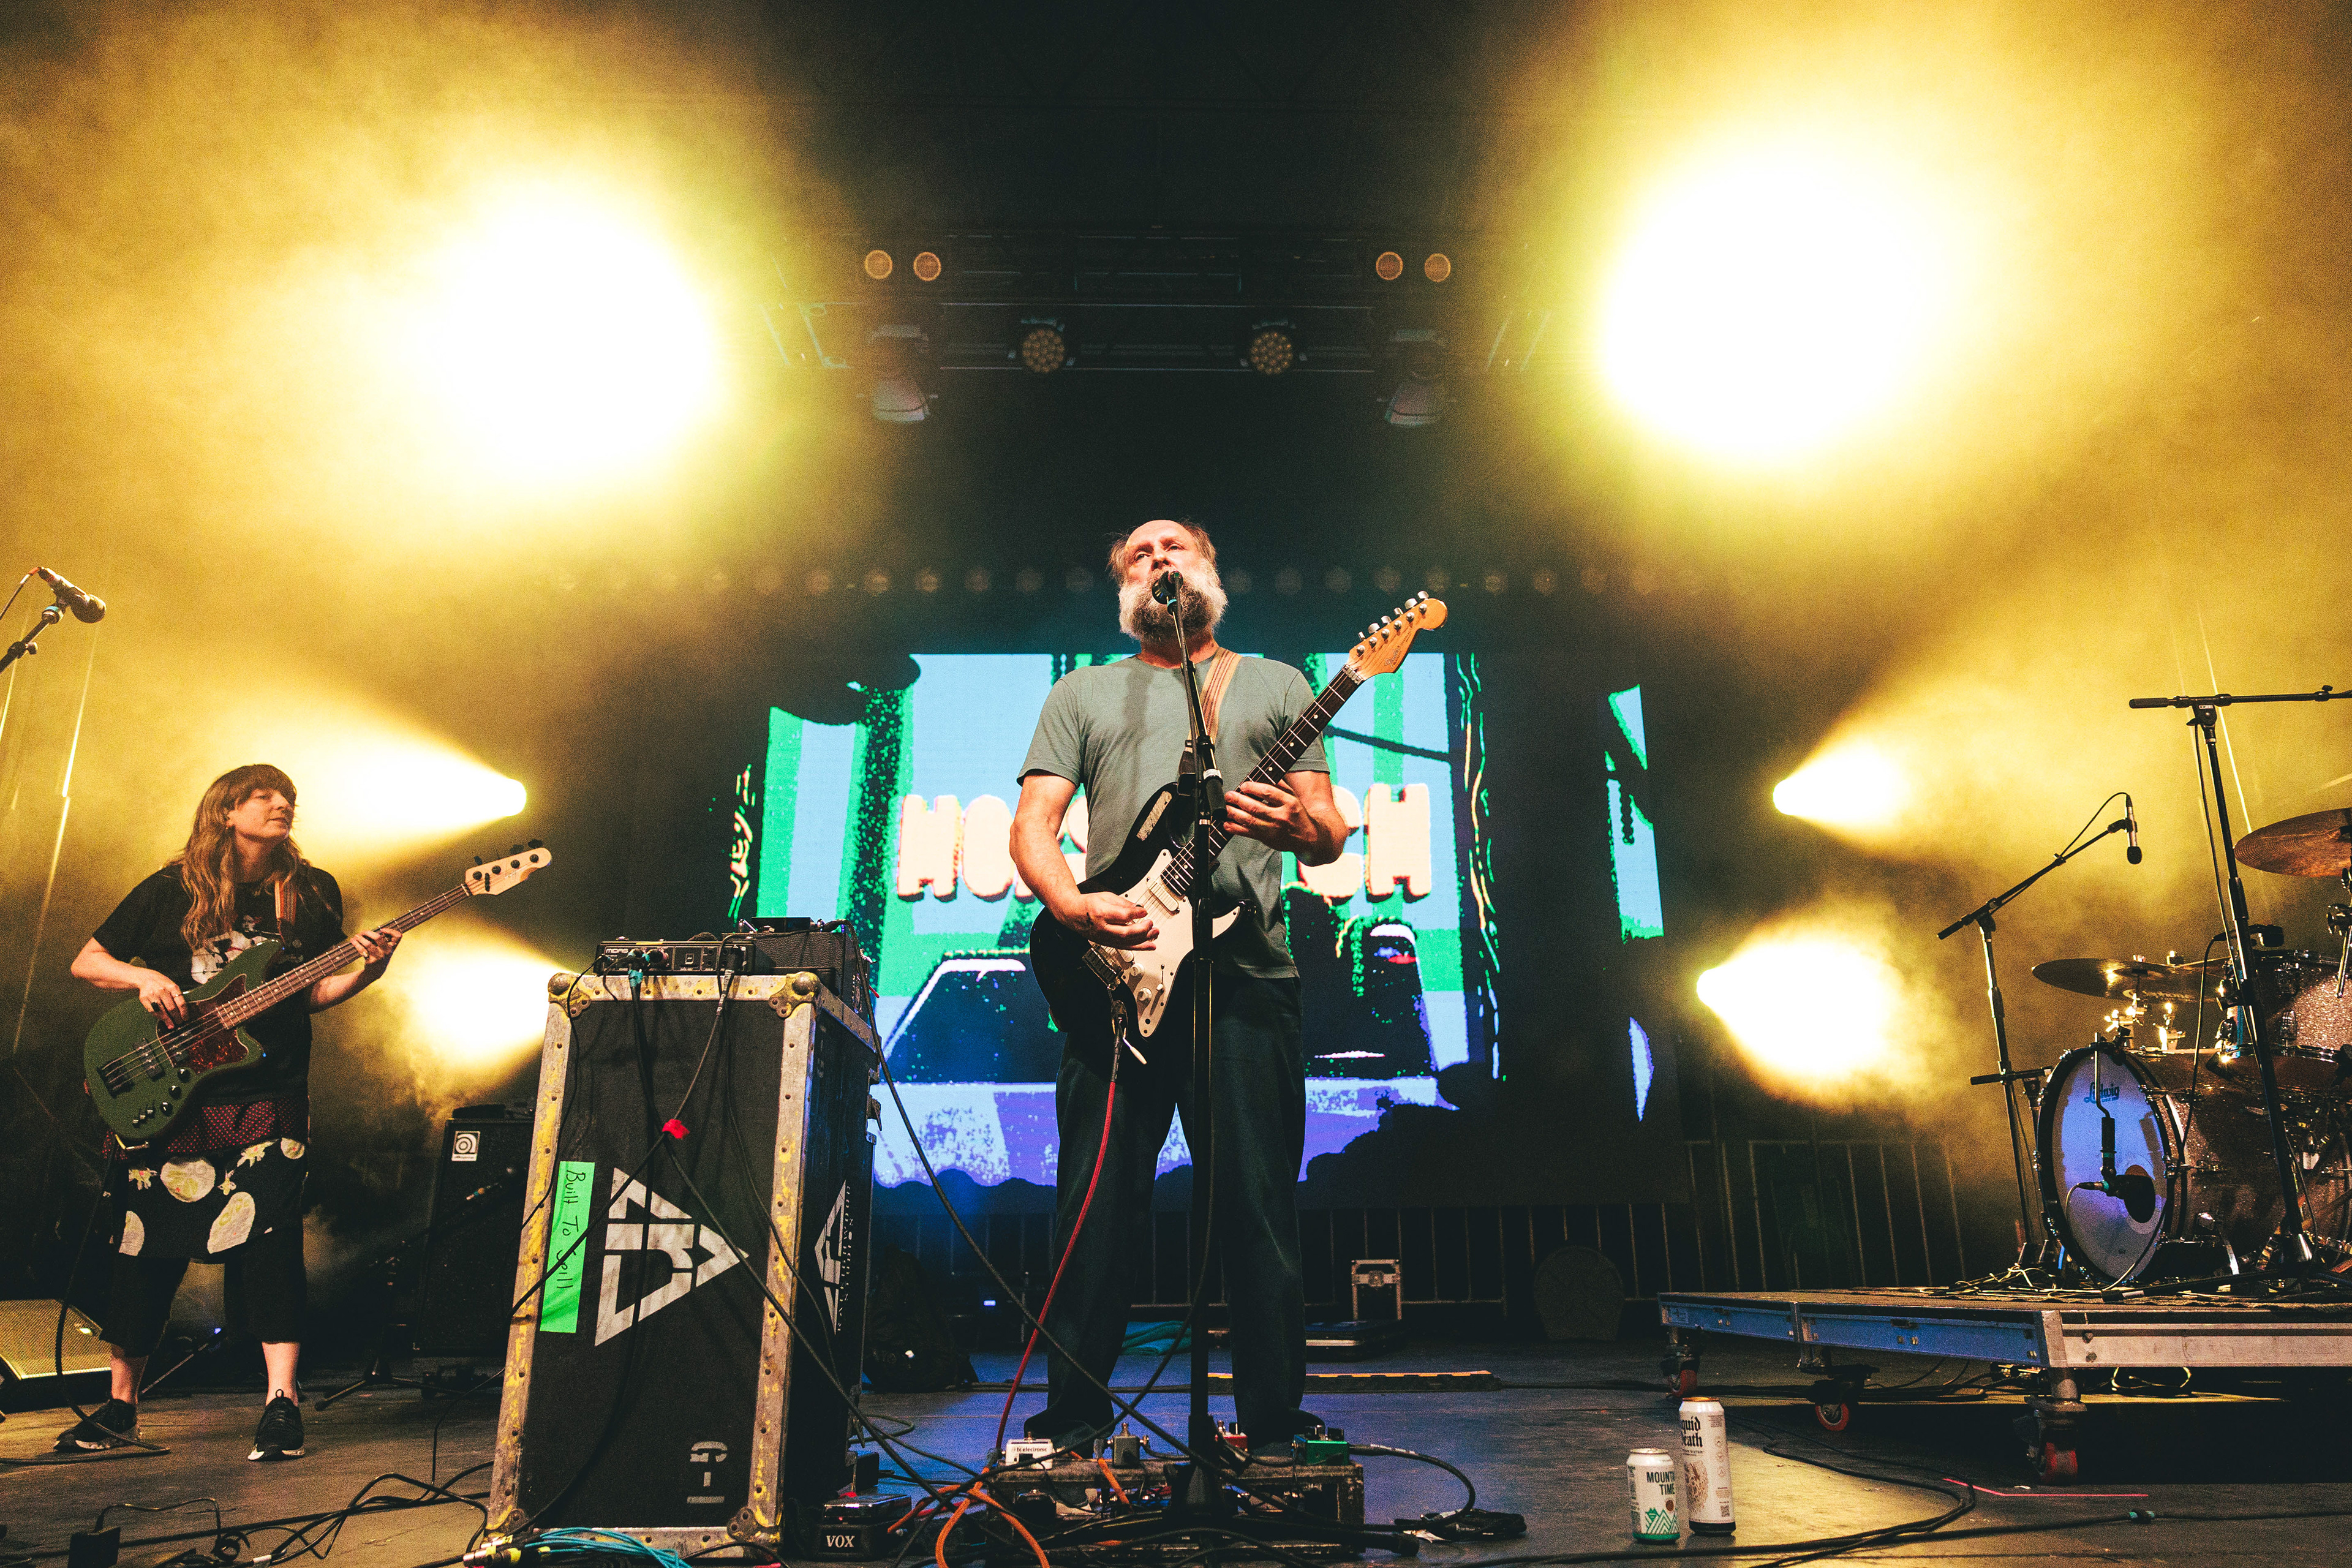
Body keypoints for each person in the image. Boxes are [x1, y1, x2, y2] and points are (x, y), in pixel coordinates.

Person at [1010, 518, 1349, 1458]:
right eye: (1140, 554)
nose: (1161, 560)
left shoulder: (1278, 684)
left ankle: (1275, 1427)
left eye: (1178, 550)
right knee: (1096, 1208)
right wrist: (1073, 905)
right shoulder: (1082, 692)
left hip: (1247, 981)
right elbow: (1034, 823)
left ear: (1210, 572)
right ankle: (1072, 1425)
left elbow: (1325, 827)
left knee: (1257, 1210)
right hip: (1115, 979)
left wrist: (1297, 827)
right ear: (1124, 585)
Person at [59, 764, 401, 1460]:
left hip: (269, 1091)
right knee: (144, 1243)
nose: (283, 804)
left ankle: (282, 1402)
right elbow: (87, 961)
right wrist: (146, 976)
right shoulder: (170, 887)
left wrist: (369, 969)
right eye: (264, 795)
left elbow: (307, 992)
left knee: (272, 1243)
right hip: (169, 1091)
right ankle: (121, 1407)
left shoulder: (308, 891)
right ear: (227, 810)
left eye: (289, 797)